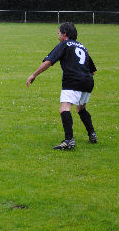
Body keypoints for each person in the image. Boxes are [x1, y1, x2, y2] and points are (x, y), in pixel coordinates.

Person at [26, 22, 98, 150]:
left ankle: (69, 140)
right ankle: (92, 133)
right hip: (88, 80)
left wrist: (34, 75)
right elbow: (92, 70)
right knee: (81, 109)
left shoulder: (64, 44)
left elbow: (49, 62)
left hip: (73, 80)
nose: (58, 36)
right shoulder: (82, 47)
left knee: (64, 109)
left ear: (64, 34)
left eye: (58, 33)